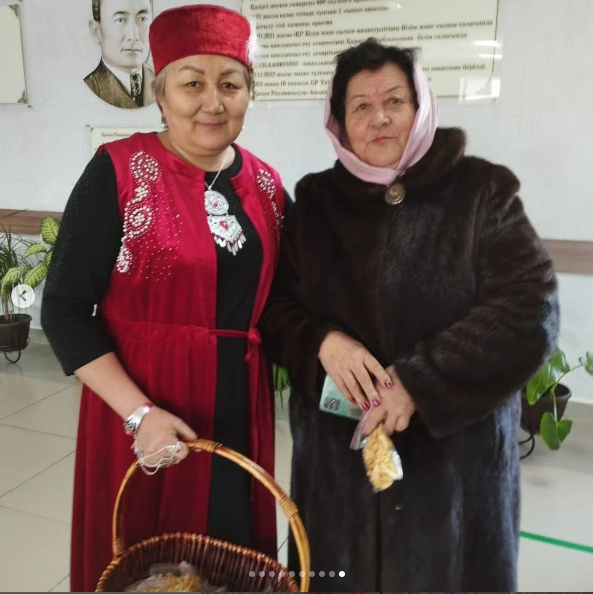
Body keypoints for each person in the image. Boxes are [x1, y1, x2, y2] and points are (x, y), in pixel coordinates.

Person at [260, 39, 559, 591]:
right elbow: (275, 310)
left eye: (395, 101)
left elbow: (530, 308)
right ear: (339, 122)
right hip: (338, 472)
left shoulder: (482, 191)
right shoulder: (316, 202)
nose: (379, 118)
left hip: (454, 471)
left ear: (420, 108)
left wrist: (421, 381)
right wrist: (322, 341)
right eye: (361, 106)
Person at [42, 5, 288, 591]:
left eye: (231, 84)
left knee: (227, 560)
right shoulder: (118, 171)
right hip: (144, 405)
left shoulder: (267, 185)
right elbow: (64, 310)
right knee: (144, 564)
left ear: (250, 93)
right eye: (192, 83)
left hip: (237, 406)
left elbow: (284, 304)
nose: (213, 102)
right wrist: (140, 415)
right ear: (162, 92)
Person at [84, 0, 155, 108]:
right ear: (96, 31)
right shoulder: (89, 88)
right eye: (120, 20)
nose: (134, 35)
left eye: (142, 19)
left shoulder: (164, 82)